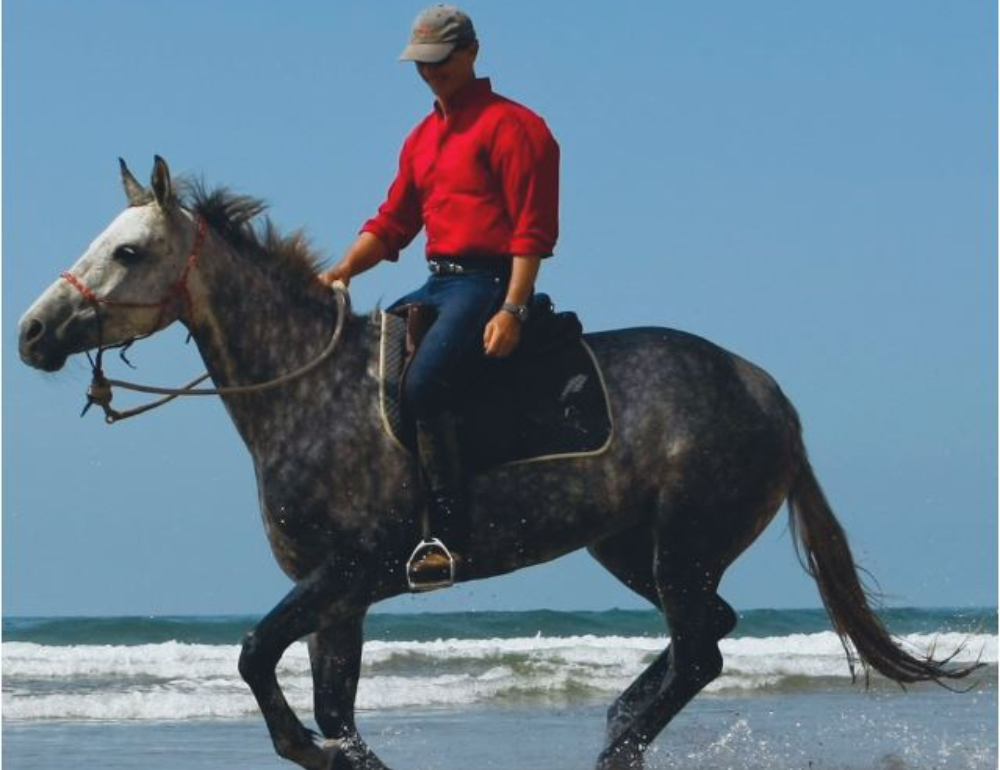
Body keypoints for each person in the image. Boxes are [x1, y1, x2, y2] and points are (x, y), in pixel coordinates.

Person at [321, 4, 560, 588]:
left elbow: (532, 229)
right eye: (420, 65)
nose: (429, 73)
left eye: (439, 62)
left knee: (426, 384)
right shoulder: (423, 137)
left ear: (471, 53)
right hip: (436, 280)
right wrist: (343, 269)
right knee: (367, 369)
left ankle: (448, 540)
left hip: (487, 280)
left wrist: (513, 308)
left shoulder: (516, 127)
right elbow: (394, 220)